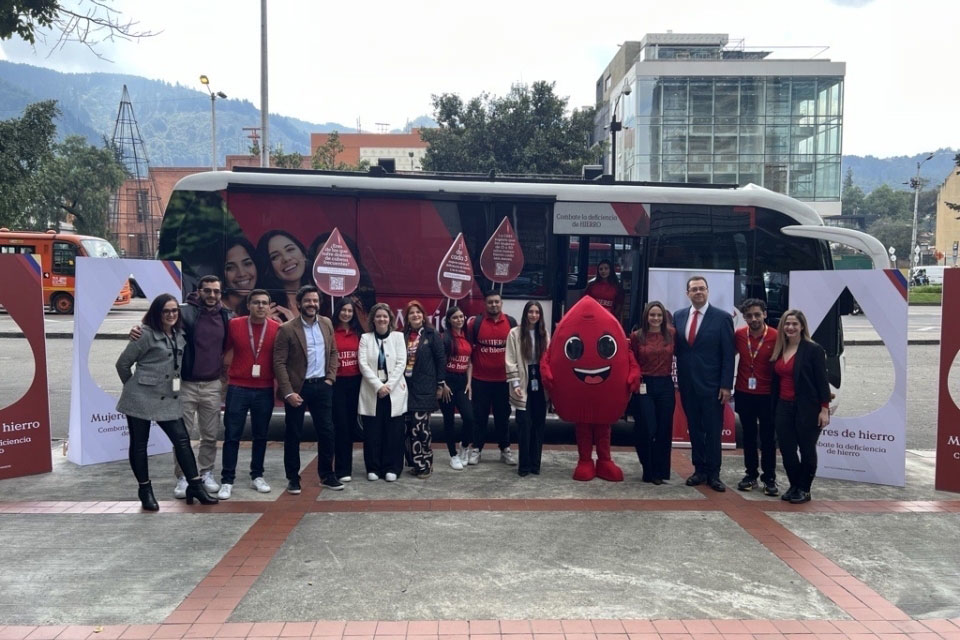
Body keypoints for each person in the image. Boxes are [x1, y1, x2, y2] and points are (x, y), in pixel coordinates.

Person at [128, 275, 233, 499]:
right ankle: (183, 477)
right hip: (184, 384)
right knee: (182, 436)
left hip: (212, 384)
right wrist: (137, 329)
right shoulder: (184, 312)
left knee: (210, 435)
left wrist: (223, 380)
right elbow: (158, 324)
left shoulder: (226, 316)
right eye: (207, 290)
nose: (212, 295)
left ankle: (206, 473)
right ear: (199, 291)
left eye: (216, 291)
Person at [115, 294, 218, 510]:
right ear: (157, 313)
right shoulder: (144, 334)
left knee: (182, 440)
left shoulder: (180, 334)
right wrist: (134, 389)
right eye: (166, 311)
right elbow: (122, 365)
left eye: (174, 311)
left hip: (168, 398)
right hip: (140, 399)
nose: (171, 315)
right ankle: (145, 490)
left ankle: (195, 486)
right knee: (139, 445)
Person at [273, 285, 342, 494]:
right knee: (293, 433)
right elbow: (279, 363)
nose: (312, 304)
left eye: (315, 301)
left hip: (322, 386)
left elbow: (333, 352)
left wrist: (330, 378)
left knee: (327, 432)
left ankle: (327, 475)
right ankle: (293, 478)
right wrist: (288, 392)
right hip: (298, 389)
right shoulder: (287, 329)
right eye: (308, 301)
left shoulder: (327, 323)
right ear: (299, 304)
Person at [673, 276, 735, 492]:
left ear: (708, 291)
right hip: (688, 385)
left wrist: (726, 386)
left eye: (702, 289)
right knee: (695, 430)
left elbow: (728, 355)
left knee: (712, 430)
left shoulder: (722, 318)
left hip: (713, 386)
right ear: (687, 293)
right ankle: (699, 470)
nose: (698, 292)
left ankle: (714, 474)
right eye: (694, 289)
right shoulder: (678, 317)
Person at [218, 288, 281, 499]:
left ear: (269, 306)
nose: (260, 306)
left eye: (264, 303)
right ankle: (227, 480)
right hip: (238, 388)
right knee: (232, 436)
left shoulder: (276, 328)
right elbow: (223, 350)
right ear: (249, 305)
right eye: (256, 303)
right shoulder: (234, 325)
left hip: (264, 389)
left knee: (261, 436)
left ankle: (257, 476)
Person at [770, 309, 831, 505]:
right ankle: (794, 485)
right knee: (787, 450)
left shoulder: (813, 350)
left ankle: (804, 488)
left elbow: (822, 382)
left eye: (794, 324)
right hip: (783, 407)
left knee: (806, 449)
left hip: (807, 408)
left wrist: (824, 409)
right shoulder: (780, 348)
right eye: (787, 324)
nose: (790, 327)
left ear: (802, 326)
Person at [734, 298, 780, 496]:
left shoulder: (777, 337)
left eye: (757, 314)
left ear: (765, 314)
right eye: (749, 316)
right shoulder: (738, 335)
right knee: (749, 436)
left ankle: (769, 478)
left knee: (768, 439)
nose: (754, 319)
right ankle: (751, 474)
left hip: (768, 395)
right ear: (744, 317)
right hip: (745, 393)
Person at [357, 303, 408, 482]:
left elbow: (402, 363)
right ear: (373, 319)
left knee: (394, 432)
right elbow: (363, 364)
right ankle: (373, 467)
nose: (381, 319)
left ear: (390, 319)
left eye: (385, 316)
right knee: (373, 431)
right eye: (378, 316)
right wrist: (379, 386)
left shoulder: (398, 337)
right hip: (373, 391)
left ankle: (392, 467)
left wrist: (389, 386)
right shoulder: (365, 338)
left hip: (394, 392)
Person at [466, 290, 518, 465]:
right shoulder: (476, 323)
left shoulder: (511, 323)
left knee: (503, 417)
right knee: (479, 417)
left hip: (503, 381)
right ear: (485, 304)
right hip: (480, 380)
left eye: (496, 302)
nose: (494, 305)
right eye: (490, 302)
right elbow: (469, 351)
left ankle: (505, 450)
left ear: (501, 303)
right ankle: (476, 449)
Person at [629, 301, 676, 485]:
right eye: (652, 315)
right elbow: (631, 360)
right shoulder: (636, 336)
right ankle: (647, 468)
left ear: (664, 318)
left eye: (659, 315)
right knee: (647, 428)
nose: (655, 318)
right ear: (646, 317)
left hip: (665, 384)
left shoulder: (671, 334)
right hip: (644, 385)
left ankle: (660, 471)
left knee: (664, 430)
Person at [399, 300, 445, 479]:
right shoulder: (402, 335)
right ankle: (416, 464)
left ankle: (426, 464)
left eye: (418, 312)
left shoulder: (432, 335)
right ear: (407, 317)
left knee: (421, 428)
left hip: (426, 389)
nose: (415, 316)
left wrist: (440, 385)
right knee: (409, 428)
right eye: (411, 313)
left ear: (423, 315)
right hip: (406, 389)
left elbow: (441, 360)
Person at [505, 301, 549, 477]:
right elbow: (510, 359)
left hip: (539, 380)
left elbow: (549, 359)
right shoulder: (514, 333)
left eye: (537, 312)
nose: (533, 315)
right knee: (524, 424)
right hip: (523, 380)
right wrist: (515, 384)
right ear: (525, 314)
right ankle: (523, 466)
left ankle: (535, 465)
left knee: (539, 423)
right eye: (530, 312)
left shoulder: (544, 334)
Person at [332, 298, 364, 483]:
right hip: (337, 384)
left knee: (351, 427)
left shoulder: (358, 333)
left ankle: (348, 467)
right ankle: (341, 469)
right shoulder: (330, 332)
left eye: (350, 311)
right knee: (340, 427)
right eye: (343, 310)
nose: (346, 313)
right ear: (338, 311)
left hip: (355, 383)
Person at [439, 306, 475, 470]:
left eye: (461, 316)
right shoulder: (444, 338)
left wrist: (469, 382)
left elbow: (469, 362)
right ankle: (453, 455)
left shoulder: (466, 337)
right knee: (449, 421)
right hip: (448, 382)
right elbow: (439, 363)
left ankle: (464, 447)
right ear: (449, 320)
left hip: (462, 382)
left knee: (469, 418)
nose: (459, 320)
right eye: (455, 317)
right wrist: (442, 384)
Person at [256, 230, 310, 322]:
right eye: (275, 257)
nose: (286, 258)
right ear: (268, 267)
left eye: (290, 249)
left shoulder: (322, 300)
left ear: (303, 254)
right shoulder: (266, 308)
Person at [222, 237, 258, 316]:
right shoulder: (211, 310)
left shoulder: (267, 305)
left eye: (247, 264)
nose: (241, 274)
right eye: (230, 268)